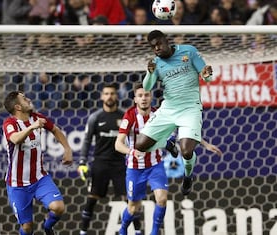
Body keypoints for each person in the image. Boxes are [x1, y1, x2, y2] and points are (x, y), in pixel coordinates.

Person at [115, 83, 222, 235]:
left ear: (151, 97)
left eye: (146, 95)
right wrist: (131, 151)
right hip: (135, 167)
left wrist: (205, 144)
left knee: (162, 199)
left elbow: (184, 129)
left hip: (155, 165)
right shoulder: (130, 116)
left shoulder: (159, 114)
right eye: (140, 96)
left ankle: (154, 233)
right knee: (133, 207)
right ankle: (123, 229)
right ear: (135, 99)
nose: (144, 98)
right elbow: (118, 144)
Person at [135, 29, 215, 196]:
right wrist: (150, 73)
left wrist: (207, 75)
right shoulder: (155, 63)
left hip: (190, 108)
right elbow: (147, 87)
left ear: (166, 41)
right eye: (153, 47)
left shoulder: (188, 51)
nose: (157, 48)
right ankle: (168, 144)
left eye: (159, 44)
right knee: (140, 145)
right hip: (168, 108)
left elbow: (206, 76)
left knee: (186, 151)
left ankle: (188, 175)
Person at [2, 91, 73, 235]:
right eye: (24, 98)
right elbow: (15, 139)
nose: (28, 99)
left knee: (58, 207)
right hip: (18, 184)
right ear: (18, 107)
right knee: (27, 227)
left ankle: (48, 227)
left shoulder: (37, 117)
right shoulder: (10, 123)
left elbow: (54, 129)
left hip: (40, 178)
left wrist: (67, 149)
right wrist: (31, 128)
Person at [77, 83, 142, 235]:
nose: (109, 96)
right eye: (106, 93)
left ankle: (138, 231)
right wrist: (82, 162)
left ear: (116, 96)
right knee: (92, 197)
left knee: (130, 199)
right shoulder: (95, 117)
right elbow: (86, 141)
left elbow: (133, 138)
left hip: (120, 164)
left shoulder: (124, 116)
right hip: (100, 163)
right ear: (101, 96)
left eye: (112, 93)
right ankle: (83, 231)